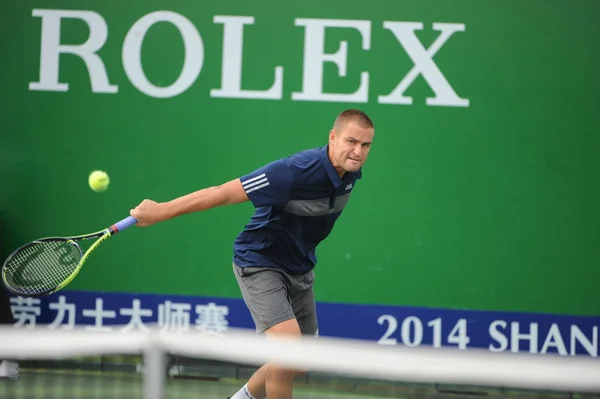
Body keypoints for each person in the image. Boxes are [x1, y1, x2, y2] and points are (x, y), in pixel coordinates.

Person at [130, 109, 375, 399]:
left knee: (299, 361)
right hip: (260, 261)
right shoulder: (293, 171)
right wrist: (161, 211)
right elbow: (222, 192)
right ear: (332, 138)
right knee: (286, 352)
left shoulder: (350, 173)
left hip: (300, 268)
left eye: (365, 145)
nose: (357, 151)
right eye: (351, 141)